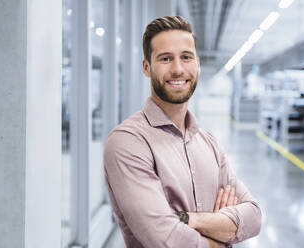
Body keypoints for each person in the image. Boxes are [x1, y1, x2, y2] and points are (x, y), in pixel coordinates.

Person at [103, 16, 261, 248]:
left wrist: (189, 219)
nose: (178, 69)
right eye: (165, 59)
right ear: (147, 67)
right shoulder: (128, 142)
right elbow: (165, 239)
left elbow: (254, 217)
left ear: (196, 64)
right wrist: (219, 235)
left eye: (186, 57)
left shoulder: (208, 143)